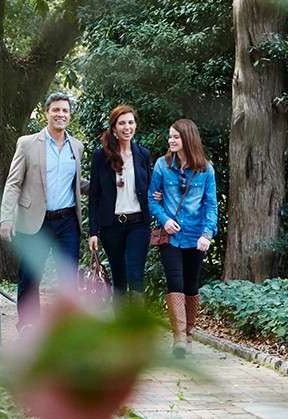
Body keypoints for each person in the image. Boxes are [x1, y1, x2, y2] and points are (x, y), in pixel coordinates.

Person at [0, 92, 88, 330]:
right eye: (56, 110)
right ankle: (28, 327)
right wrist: (6, 218)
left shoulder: (76, 146)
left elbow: (77, 183)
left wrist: (107, 185)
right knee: (30, 276)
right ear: (46, 113)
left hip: (68, 221)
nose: (61, 114)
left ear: (70, 115)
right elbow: (13, 183)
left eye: (65, 110)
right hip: (34, 222)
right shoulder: (27, 143)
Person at [148, 119, 218, 358]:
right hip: (171, 237)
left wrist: (207, 233)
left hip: (196, 237)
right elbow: (152, 198)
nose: (171, 140)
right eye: (170, 136)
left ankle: (188, 333)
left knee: (191, 285)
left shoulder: (206, 170)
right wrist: (164, 219)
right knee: (175, 283)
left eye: (175, 137)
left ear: (188, 138)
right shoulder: (162, 165)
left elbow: (211, 205)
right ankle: (178, 339)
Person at [87, 105, 153, 301]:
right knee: (119, 279)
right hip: (111, 225)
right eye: (122, 123)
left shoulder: (143, 155)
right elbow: (94, 195)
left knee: (135, 276)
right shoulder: (101, 156)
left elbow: (148, 187)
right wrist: (93, 231)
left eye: (131, 122)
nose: (127, 127)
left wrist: (155, 196)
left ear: (135, 125)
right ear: (114, 127)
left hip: (138, 223)